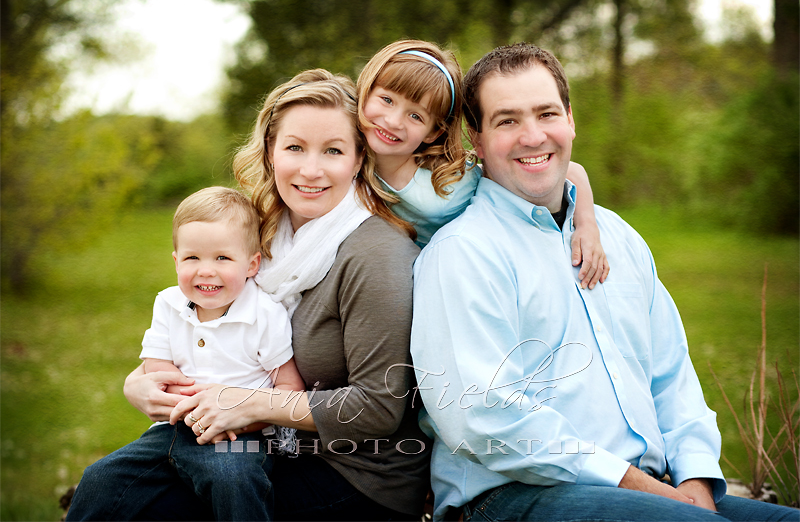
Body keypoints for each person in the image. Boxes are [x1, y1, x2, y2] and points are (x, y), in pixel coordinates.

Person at [410, 43, 799, 522]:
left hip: (655, 490)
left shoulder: (618, 236)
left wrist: (694, 480)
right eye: (507, 120)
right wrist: (644, 489)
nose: (533, 136)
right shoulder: (462, 253)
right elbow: (485, 418)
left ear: (571, 119)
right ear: (478, 135)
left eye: (546, 113)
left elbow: (672, 374)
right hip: (513, 496)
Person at [120, 69, 430, 521]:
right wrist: (142, 382)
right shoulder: (260, 233)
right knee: (108, 492)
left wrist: (247, 403)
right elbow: (209, 323)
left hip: (356, 473)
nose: (311, 169)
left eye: (333, 151)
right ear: (270, 152)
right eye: (295, 147)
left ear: (359, 158)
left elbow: (378, 408)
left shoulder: (376, 255)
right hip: (263, 447)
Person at [67, 186, 305, 521]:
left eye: (223, 258)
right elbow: (157, 366)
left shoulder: (263, 314)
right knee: (100, 479)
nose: (206, 270)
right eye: (193, 257)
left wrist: (240, 418)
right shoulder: (168, 303)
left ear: (252, 264)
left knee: (235, 481)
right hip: (173, 429)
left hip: (240, 434)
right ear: (177, 260)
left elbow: (289, 390)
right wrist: (184, 407)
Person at [357, 39, 608, 288]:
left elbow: (573, 171)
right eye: (387, 100)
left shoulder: (447, 176)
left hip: (471, 269)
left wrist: (587, 224)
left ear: (432, 132)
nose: (393, 121)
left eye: (415, 115)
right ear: (366, 91)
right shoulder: (349, 159)